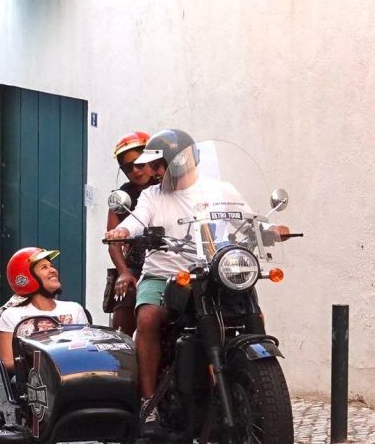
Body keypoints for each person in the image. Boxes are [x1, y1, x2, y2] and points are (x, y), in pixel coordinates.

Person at [105, 129, 264, 416]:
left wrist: (270, 230)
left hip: (213, 272)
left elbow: (249, 222)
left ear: (176, 161)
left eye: (157, 163)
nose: (152, 171)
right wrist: (123, 230)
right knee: (148, 317)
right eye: (151, 165)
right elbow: (137, 220)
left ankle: (260, 386)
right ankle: (148, 400)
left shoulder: (221, 190)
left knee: (250, 309)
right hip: (163, 275)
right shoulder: (153, 195)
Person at [0, 247, 89, 372]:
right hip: (33, 383)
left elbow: (86, 351)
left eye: (51, 266)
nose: (53, 270)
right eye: (44, 267)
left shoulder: (75, 309)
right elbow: (8, 362)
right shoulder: (11, 315)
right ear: (27, 277)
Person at [106, 131, 157, 334]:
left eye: (140, 163)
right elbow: (112, 239)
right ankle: (121, 356)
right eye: (128, 168)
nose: (136, 171)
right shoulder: (121, 197)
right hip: (138, 264)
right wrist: (124, 272)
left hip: (174, 262)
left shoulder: (168, 187)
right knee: (124, 305)